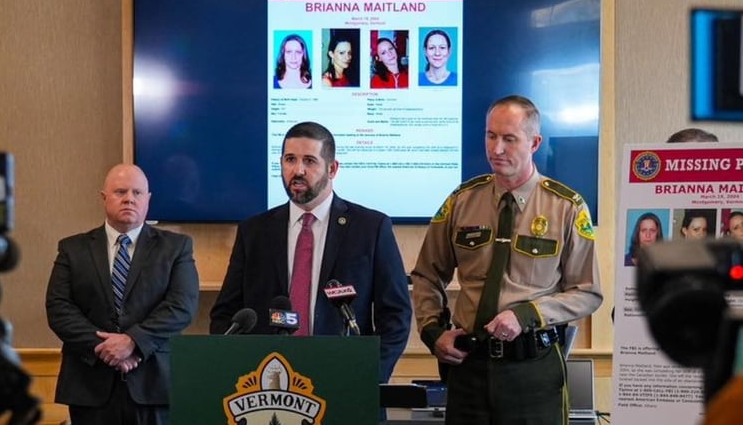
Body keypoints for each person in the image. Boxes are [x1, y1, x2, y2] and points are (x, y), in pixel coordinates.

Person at [410, 95, 602, 425]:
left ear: (535, 142)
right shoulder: (462, 201)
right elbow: (426, 275)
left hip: (533, 370)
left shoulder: (566, 207)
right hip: (468, 368)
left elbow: (588, 292)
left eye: (509, 139)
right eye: (490, 136)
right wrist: (432, 331)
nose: (496, 149)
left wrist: (528, 314)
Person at [209, 121, 411, 382]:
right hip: (267, 385)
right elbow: (226, 315)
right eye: (290, 159)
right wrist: (238, 374)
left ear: (332, 168)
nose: (298, 170)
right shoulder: (254, 231)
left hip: (344, 381)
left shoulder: (371, 228)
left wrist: (369, 377)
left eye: (309, 161)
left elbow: (396, 315)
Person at [45, 164, 199, 425]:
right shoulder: (72, 248)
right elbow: (59, 308)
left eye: (137, 193)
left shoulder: (176, 247)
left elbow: (181, 306)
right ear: (104, 197)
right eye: (120, 191)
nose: (130, 198)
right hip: (89, 385)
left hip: (154, 385)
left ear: (148, 199)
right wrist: (105, 348)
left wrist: (132, 343)